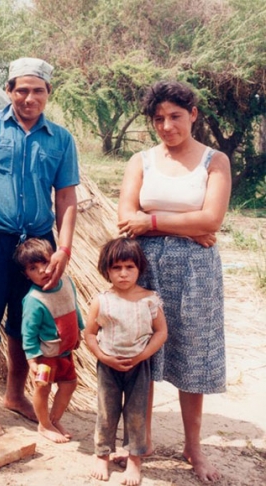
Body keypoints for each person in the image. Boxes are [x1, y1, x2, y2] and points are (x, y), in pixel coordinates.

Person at [0, 57, 79, 438]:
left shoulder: (60, 140)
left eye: (37, 90)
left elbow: (67, 197)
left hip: (39, 244)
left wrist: (65, 248)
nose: (28, 97)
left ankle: (15, 395)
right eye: (21, 89)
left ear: (47, 94)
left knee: (28, 321)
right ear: (8, 90)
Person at [117, 80, 231, 482]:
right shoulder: (141, 161)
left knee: (192, 358)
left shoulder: (214, 161)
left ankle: (193, 448)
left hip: (197, 272)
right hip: (145, 268)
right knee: (142, 356)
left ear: (193, 115)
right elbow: (125, 217)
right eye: (159, 118)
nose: (167, 126)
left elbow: (211, 220)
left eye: (176, 117)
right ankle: (137, 450)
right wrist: (184, 226)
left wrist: (152, 220)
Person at [84, 238, 168, 486]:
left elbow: (161, 332)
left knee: (136, 414)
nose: (123, 274)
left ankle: (134, 459)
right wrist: (103, 356)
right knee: (107, 412)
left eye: (129, 267)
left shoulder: (150, 300)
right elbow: (89, 333)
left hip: (138, 366)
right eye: (116, 268)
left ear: (139, 268)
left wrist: (142, 356)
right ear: (106, 270)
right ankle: (102, 454)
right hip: (108, 366)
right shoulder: (102, 300)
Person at [14, 238, 84, 444]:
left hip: (65, 353)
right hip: (46, 357)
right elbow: (28, 332)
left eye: (45, 263)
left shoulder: (67, 283)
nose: (43, 271)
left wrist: (78, 331)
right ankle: (44, 425)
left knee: (69, 384)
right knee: (43, 388)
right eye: (33, 268)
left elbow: (74, 308)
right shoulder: (34, 300)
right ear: (25, 274)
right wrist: (32, 360)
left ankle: (54, 419)